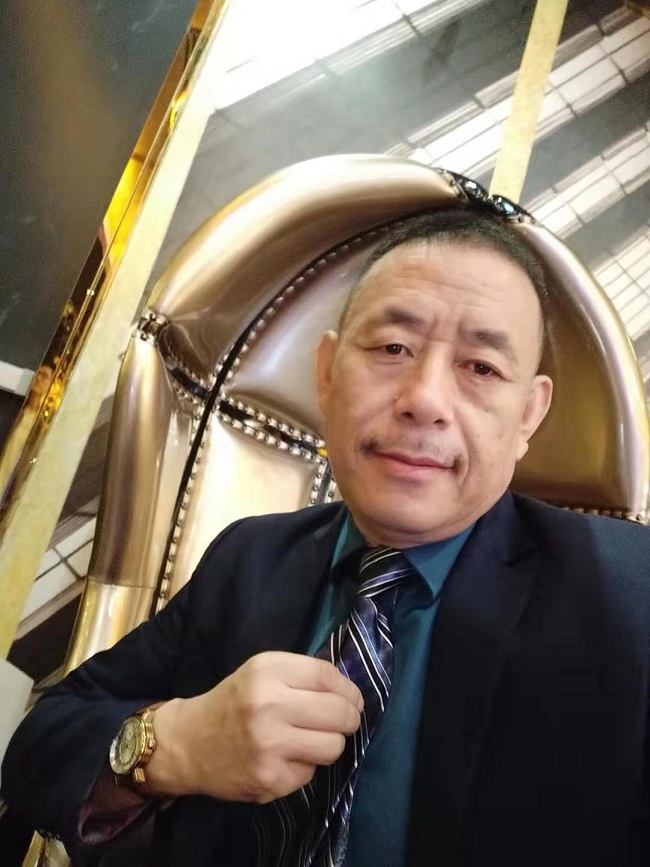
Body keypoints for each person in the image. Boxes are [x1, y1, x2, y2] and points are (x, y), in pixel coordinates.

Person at [3, 206, 650, 867]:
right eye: (392, 348)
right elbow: (37, 748)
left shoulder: (630, 597)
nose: (425, 399)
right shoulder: (249, 557)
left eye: (481, 367)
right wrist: (178, 745)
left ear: (528, 416)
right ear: (327, 372)